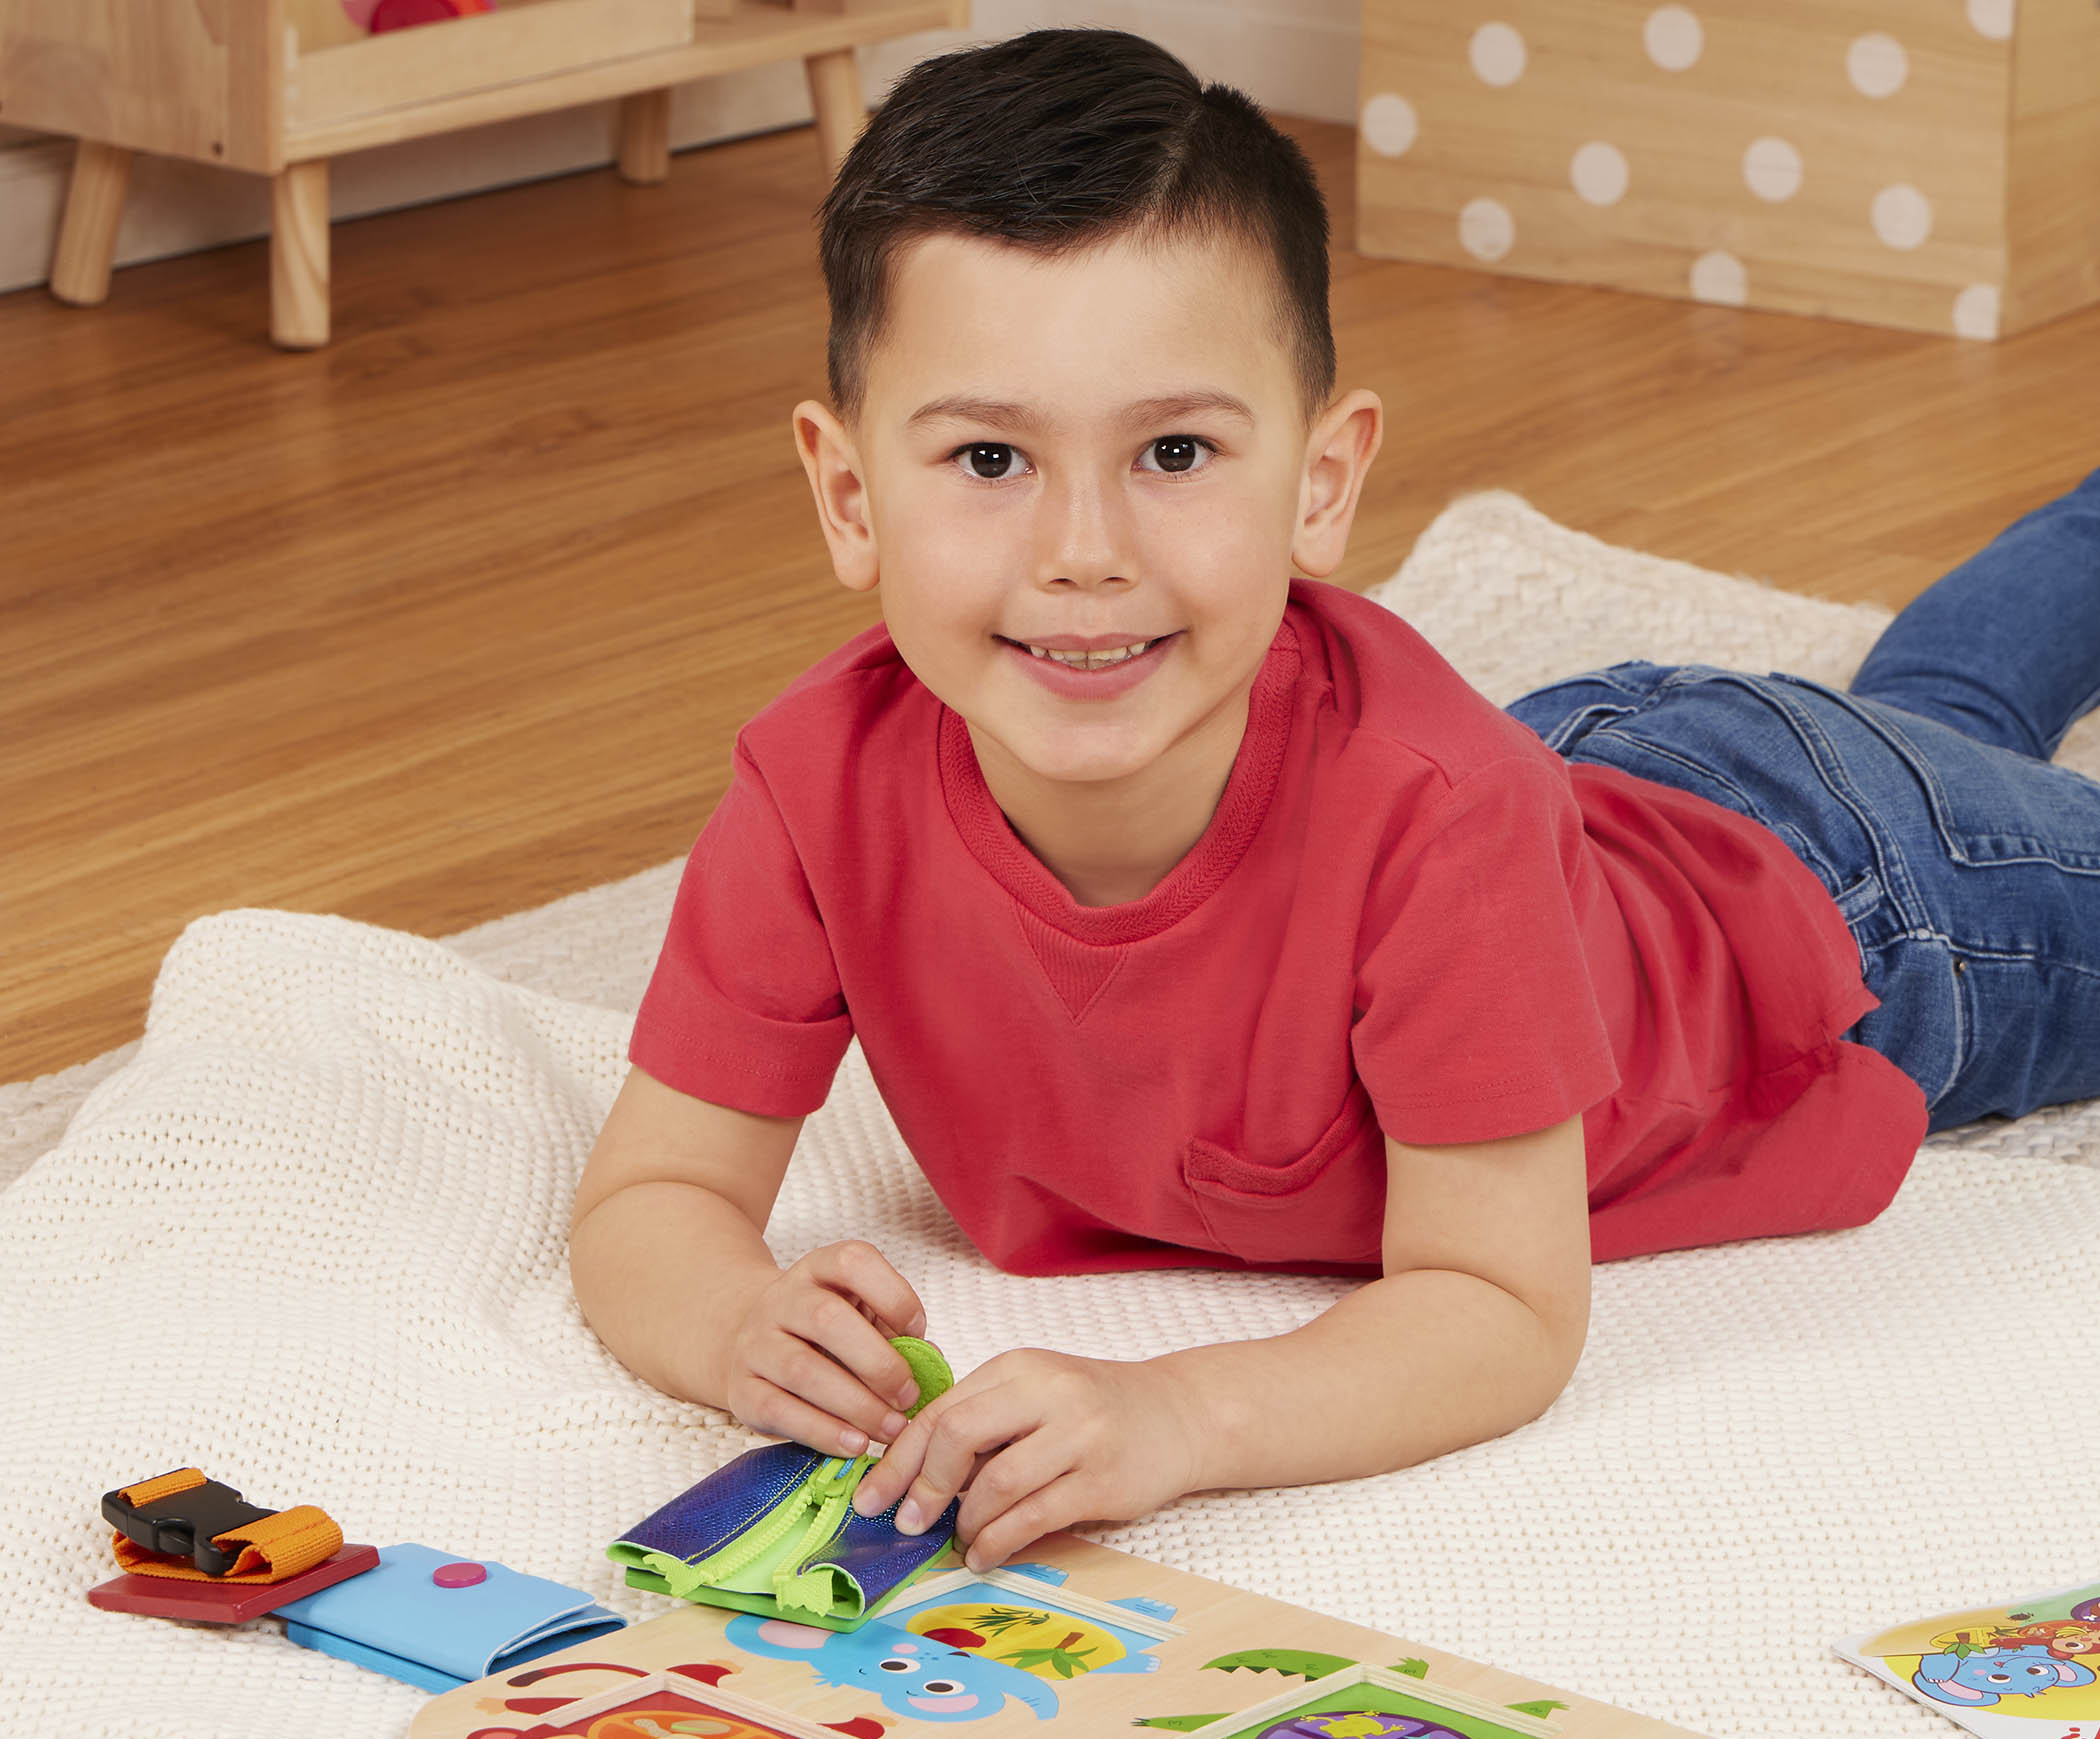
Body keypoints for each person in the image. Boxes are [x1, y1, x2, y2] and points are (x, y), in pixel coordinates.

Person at [569, 29, 2100, 1572]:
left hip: (1855, 896)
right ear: (850, 498)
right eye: (988, 457)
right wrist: (737, 1325)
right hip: (1599, 787)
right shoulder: (811, 784)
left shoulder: (1440, 823)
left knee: (1935, 769)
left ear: (1320, 482)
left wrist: (1176, 1418)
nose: (1080, 549)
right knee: (1943, 718)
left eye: (1173, 450)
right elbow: (655, 1196)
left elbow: (1500, 1308)